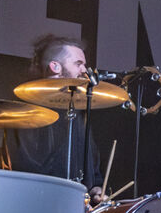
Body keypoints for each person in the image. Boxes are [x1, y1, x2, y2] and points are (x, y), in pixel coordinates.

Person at [6, 34, 105, 203]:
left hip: (77, 205)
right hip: (37, 202)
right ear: (55, 67)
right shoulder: (28, 109)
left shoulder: (79, 111)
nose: (84, 70)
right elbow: (25, 166)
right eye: (78, 64)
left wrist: (96, 188)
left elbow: (93, 170)